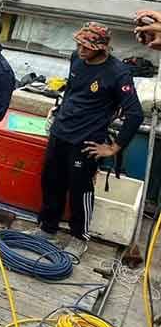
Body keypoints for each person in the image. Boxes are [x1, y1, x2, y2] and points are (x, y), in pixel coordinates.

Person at [37, 23, 143, 244]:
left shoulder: (118, 73)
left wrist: (113, 148)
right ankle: (47, 228)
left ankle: (79, 238)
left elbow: (135, 114)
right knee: (51, 182)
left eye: (87, 47)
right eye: (79, 44)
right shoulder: (76, 58)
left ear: (102, 48)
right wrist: (59, 114)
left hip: (85, 141)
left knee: (80, 190)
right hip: (60, 133)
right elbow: (73, 90)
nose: (81, 50)